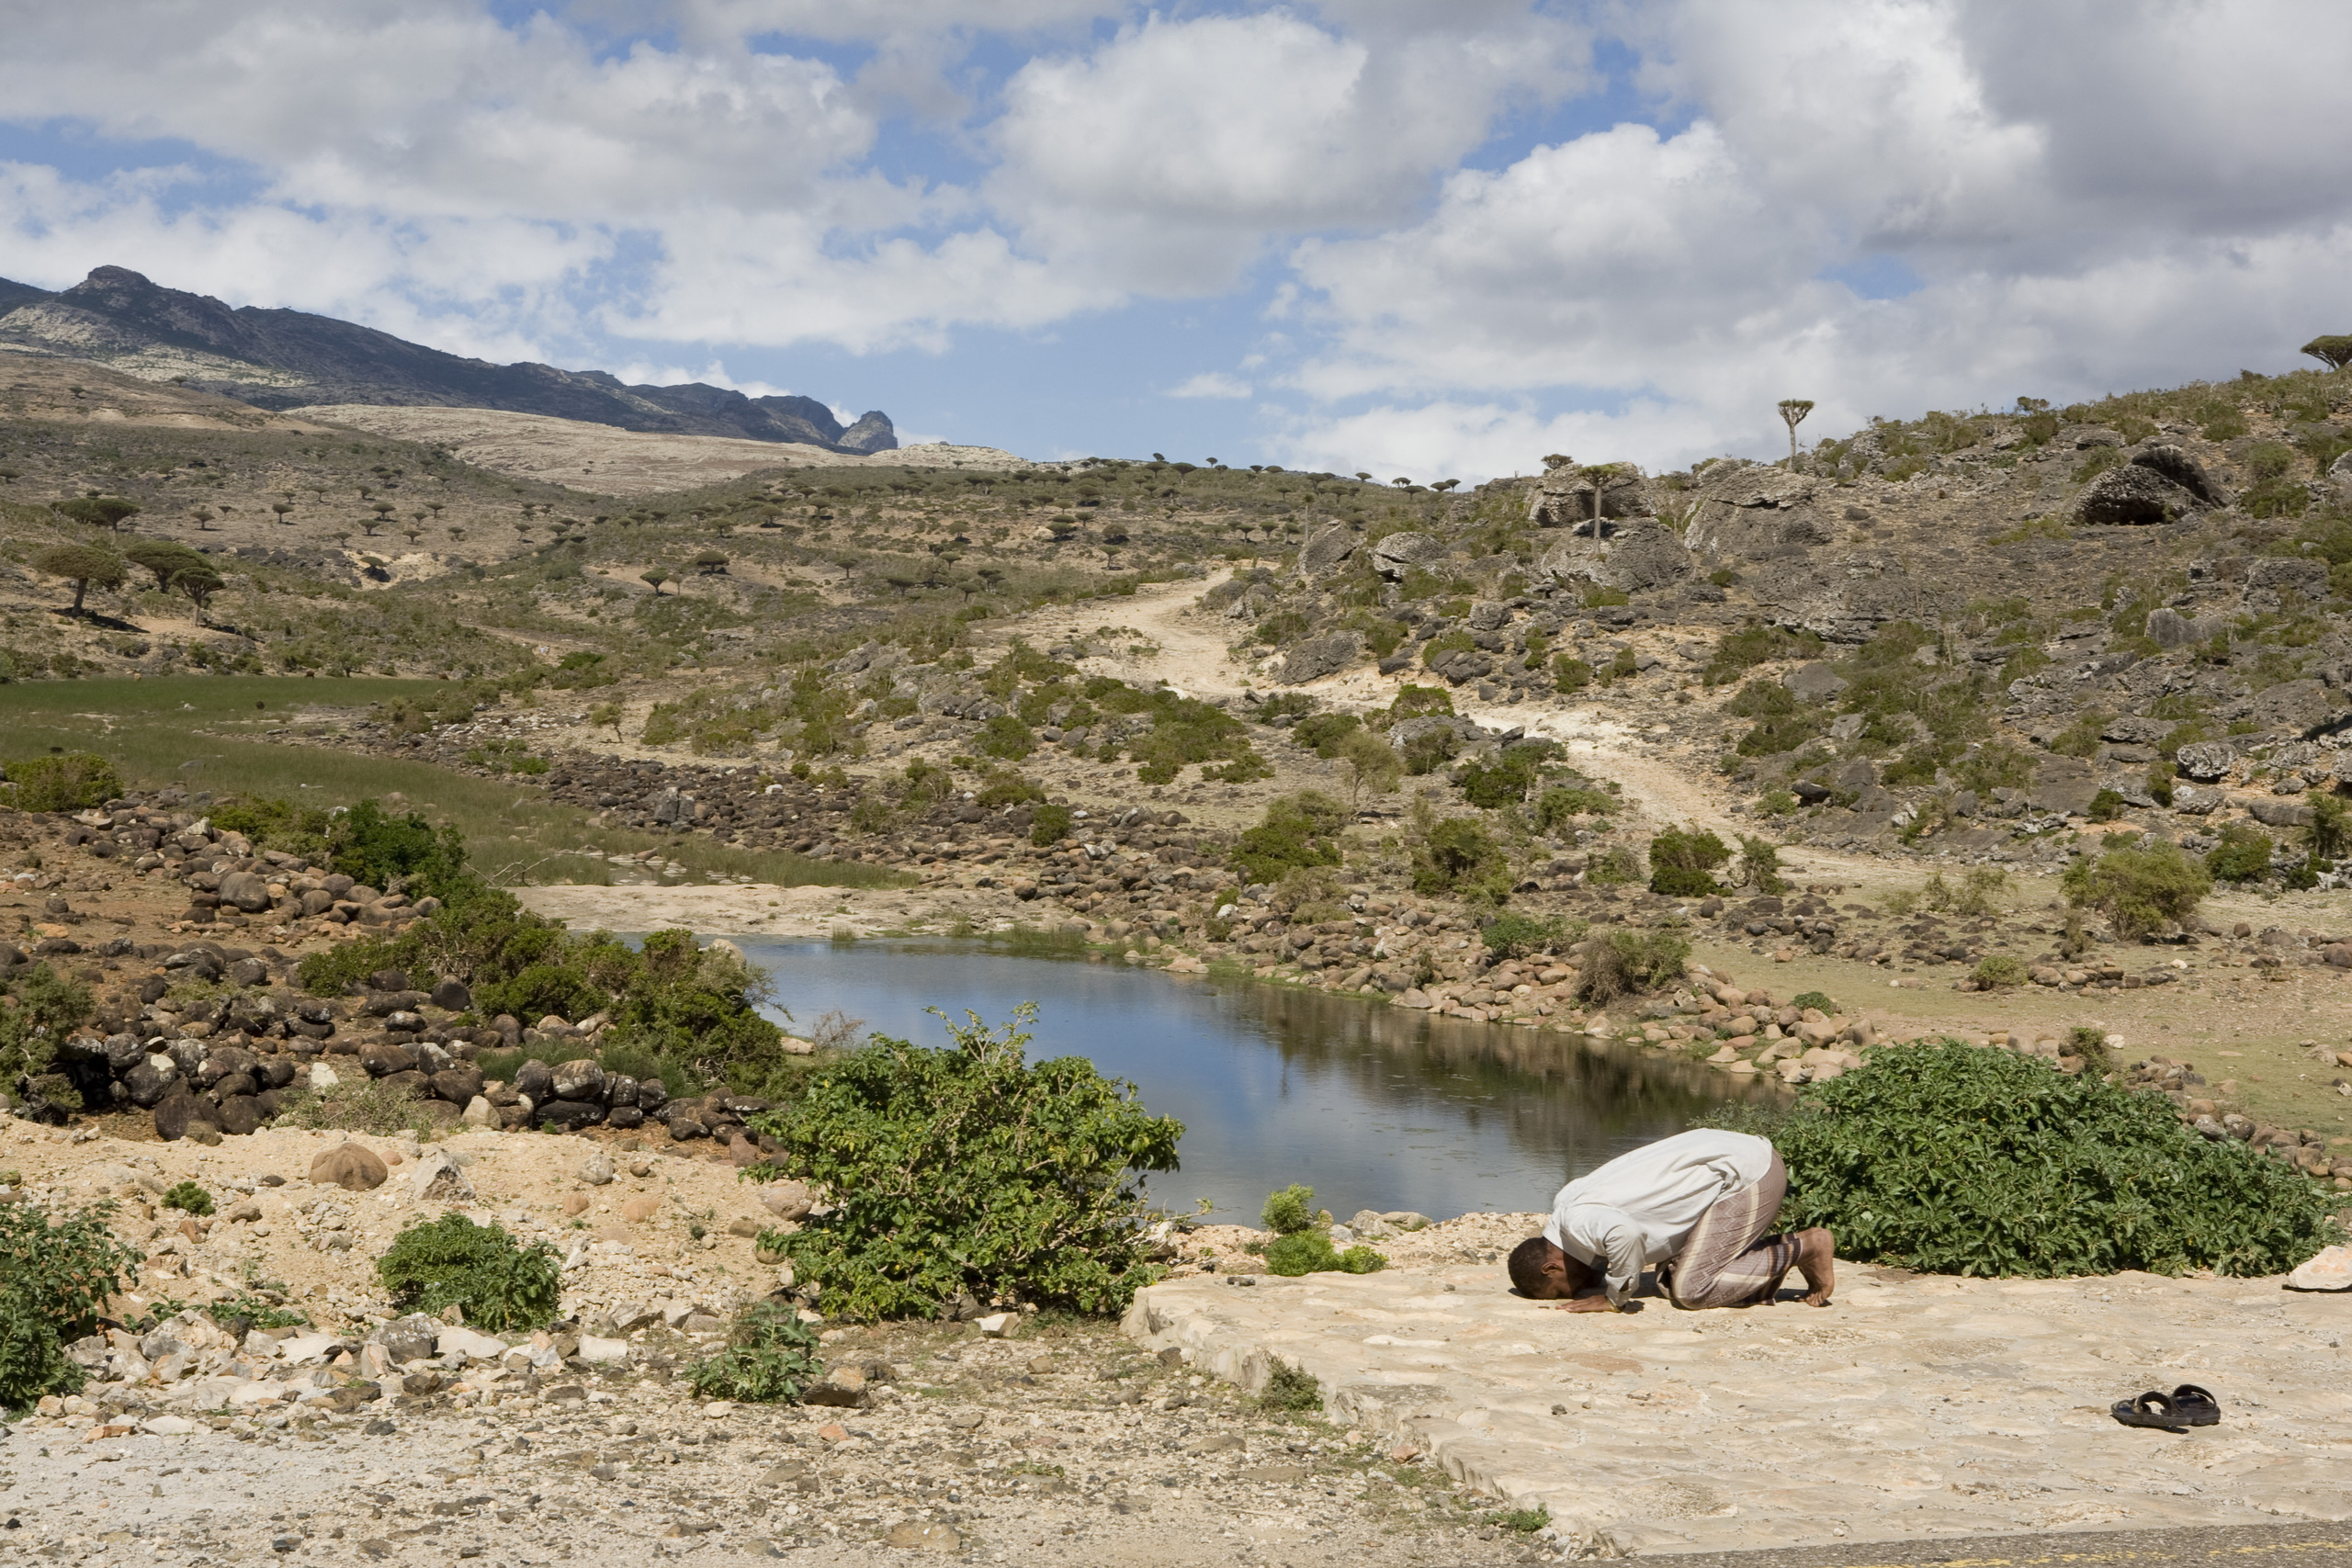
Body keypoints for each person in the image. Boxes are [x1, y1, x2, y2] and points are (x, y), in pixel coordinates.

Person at [1506, 1129, 1834, 1312]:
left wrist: (1614, 1298)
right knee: (1669, 1280)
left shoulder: (1576, 1222)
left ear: (1551, 1268)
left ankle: (1806, 1247)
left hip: (1748, 1175)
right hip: (1740, 1160)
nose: (1574, 1293)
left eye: (1560, 1292)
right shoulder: (1566, 1205)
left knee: (1691, 1290)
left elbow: (1624, 1233)